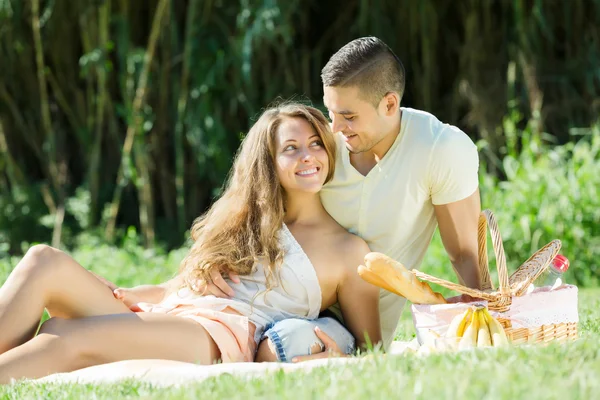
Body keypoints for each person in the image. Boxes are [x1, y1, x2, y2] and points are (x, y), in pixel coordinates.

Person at [0, 103, 381, 383]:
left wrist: (337, 359)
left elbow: (373, 348)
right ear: (269, 161)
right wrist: (133, 294)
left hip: (215, 337)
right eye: (291, 148)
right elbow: (182, 285)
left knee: (62, 334)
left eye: (315, 143)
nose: (308, 156)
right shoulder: (244, 220)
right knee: (42, 261)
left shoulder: (348, 251)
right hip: (176, 312)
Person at [203, 37, 483, 362]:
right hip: (273, 298)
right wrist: (212, 257)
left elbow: (466, 255)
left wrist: (486, 320)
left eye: (348, 116)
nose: (334, 127)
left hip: (345, 326)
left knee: (284, 343)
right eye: (330, 111)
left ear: (389, 105)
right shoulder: (322, 148)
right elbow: (255, 194)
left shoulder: (440, 149)